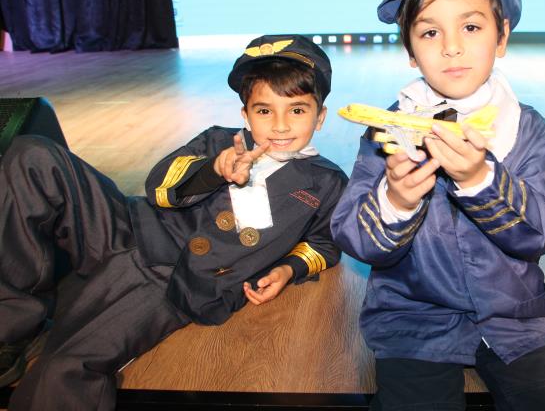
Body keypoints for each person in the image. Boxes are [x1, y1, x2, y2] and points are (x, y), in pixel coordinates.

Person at [0, 34, 347, 410]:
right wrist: (213, 171)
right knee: (32, 155)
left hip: (175, 281)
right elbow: (159, 188)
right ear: (246, 114)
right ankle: (11, 331)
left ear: (320, 116)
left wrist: (288, 269)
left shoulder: (327, 183)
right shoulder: (218, 141)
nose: (280, 126)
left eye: (297, 110)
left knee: (66, 368)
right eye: (264, 111)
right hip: (126, 227)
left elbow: (324, 243)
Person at [331, 0, 545, 410]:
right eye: (430, 32)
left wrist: (480, 180)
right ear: (410, 51)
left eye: (471, 27)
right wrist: (396, 200)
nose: (451, 46)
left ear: (502, 36)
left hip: (513, 316)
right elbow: (354, 237)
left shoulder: (527, 130)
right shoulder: (387, 130)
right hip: (413, 318)